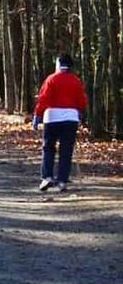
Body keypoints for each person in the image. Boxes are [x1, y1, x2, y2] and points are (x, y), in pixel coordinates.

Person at [31, 54, 87, 192]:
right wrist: (79, 112)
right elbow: (82, 100)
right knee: (66, 151)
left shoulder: (51, 79)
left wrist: (37, 116)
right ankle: (62, 181)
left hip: (52, 117)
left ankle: (47, 177)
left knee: (48, 147)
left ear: (58, 64)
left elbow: (43, 99)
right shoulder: (76, 80)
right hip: (70, 118)